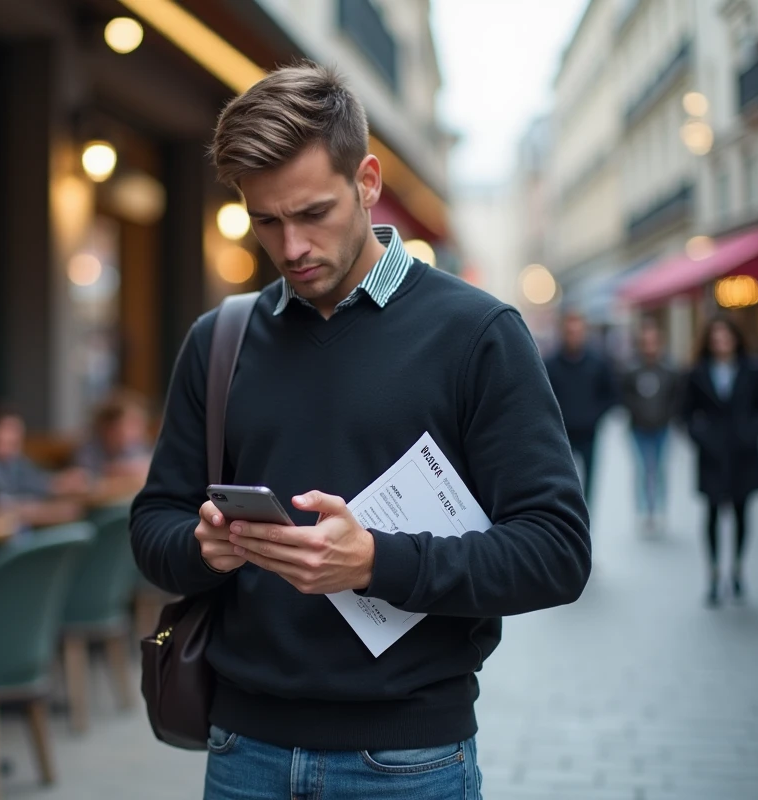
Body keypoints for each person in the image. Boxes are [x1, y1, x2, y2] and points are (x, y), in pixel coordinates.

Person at [130, 62, 590, 799]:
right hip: (242, 747)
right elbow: (152, 523)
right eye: (266, 221)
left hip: (408, 760)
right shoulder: (220, 340)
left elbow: (557, 553)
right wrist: (203, 547)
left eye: (313, 213)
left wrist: (376, 561)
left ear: (367, 182)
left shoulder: (478, 334)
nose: (290, 248)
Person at [681, 316, 758, 606]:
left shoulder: (752, 370)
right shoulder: (698, 371)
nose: (721, 343)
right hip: (712, 454)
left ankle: (738, 568)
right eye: (716, 338)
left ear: (736, 339)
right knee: (713, 513)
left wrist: (750, 431)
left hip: (743, 453)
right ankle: (714, 574)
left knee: (742, 512)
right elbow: (685, 413)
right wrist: (701, 436)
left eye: (725, 337)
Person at [0, 405, 88, 527]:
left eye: (18, 431)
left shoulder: (11, 459)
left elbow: (32, 477)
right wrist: (54, 487)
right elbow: (1, 490)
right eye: (10, 430)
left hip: (9, 529)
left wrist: (59, 480)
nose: (17, 437)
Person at [545, 311, 618, 505]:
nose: (573, 336)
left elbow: (611, 394)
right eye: (569, 331)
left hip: (589, 433)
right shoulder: (550, 364)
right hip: (561, 435)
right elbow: (542, 397)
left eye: (577, 331)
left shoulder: (597, 362)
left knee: (590, 482)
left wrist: (595, 415)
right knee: (561, 482)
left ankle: (586, 519)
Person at [620, 320, 681, 535]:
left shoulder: (669, 370)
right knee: (642, 469)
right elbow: (625, 397)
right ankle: (644, 512)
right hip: (638, 428)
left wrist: (668, 415)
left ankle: (660, 511)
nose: (650, 347)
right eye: (646, 342)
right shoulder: (632, 370)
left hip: (662, 428)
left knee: (660, 469)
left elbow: (676, 397)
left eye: (653, 342)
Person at [73, 389, 153, 481]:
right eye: (129, 425)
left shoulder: (137, 446)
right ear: (106, 428)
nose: (135, 432)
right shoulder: (90, 449)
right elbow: (83, 476)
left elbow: (148, 466)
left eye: (138, 425)